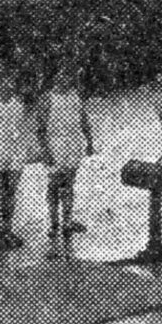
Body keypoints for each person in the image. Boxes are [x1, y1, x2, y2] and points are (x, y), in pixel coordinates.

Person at [0, 70, 37, 255]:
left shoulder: (18, 103)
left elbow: (25, 126)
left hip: (15, 149)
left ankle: (7, 230)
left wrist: (26, 149)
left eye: (11, 82)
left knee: (10, 193)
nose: (8, 86)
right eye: (4, 82)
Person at [41, 61, 93, 253]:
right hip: (55, 143)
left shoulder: (75, 96)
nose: (65, 80)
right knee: (54, 184)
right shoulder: (48, 98)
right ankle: (54, 222)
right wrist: (45, 151)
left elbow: (84, 119)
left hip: (73, 143)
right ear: (55, 78)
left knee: (70, 183)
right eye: (61, 76)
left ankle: (67, 221)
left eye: (67, 76)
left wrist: (89, 142)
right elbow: (40, 129)